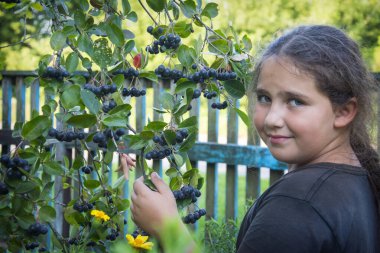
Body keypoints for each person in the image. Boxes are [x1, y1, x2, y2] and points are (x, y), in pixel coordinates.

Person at [121, 25, 380, 252]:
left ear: (344, 112)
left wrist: (169, 231)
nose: (271, 119)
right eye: (265, 98)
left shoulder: (297, 205)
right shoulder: (357, 178)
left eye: (295, 101)